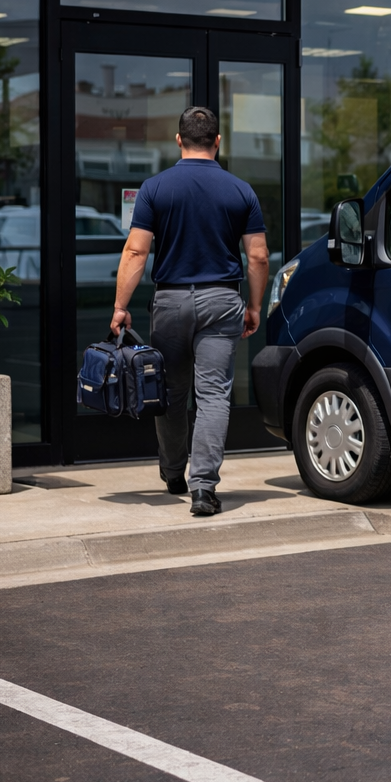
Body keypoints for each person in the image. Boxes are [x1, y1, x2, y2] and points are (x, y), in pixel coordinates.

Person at [110, 106, 269, 517]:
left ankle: (172, 474)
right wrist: (253, 306)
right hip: (221, 301)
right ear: (217, 141)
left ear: (178, 141)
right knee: (213, 396)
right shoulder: (241, 191)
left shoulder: (155, 188)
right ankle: (203, 489)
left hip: (170, 302)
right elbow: (258, 257)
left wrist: (120, 307)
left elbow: (136, 250)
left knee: (172, 392)